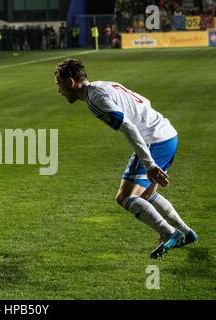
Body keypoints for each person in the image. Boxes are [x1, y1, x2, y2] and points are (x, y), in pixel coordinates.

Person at [54, 58, 198, 259]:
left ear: (71, 82)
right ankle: (187, 233)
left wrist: (149, 164)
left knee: (125, 196)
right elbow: (144, 102)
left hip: (153, 140)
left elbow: (128, 126)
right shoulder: (103, 85)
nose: (59, 91)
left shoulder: (94, 99)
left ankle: (170, 233)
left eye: (59, 85)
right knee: (146, 195)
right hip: (167, 134)